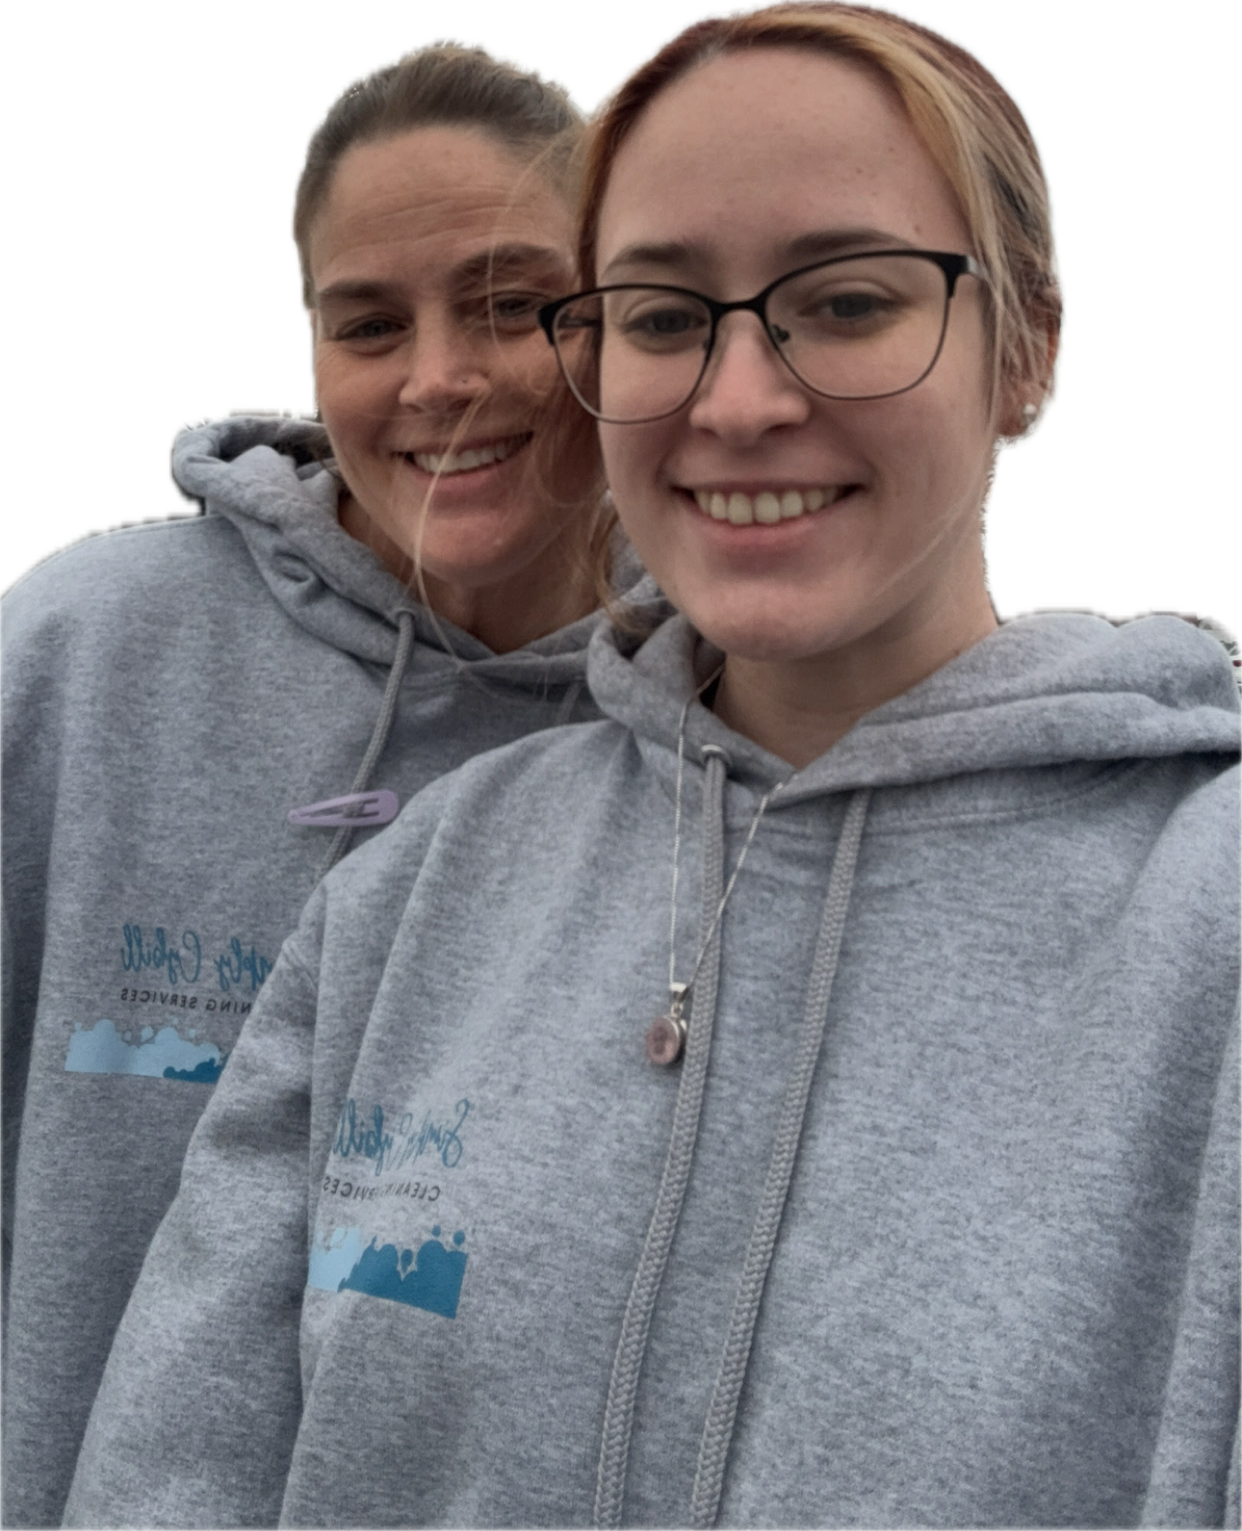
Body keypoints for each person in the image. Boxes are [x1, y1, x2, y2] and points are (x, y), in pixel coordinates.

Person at [64, 4, 1241, 1528]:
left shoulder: (1207, 927)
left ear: (1022, 350)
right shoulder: (409, 900)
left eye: (845, 301)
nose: (739, 404)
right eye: (666, 314)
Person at [0, 36, 657, 1529]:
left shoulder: (706, 732)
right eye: (369, 324)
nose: (440, 378)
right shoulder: (82, 654)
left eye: (508, 305)